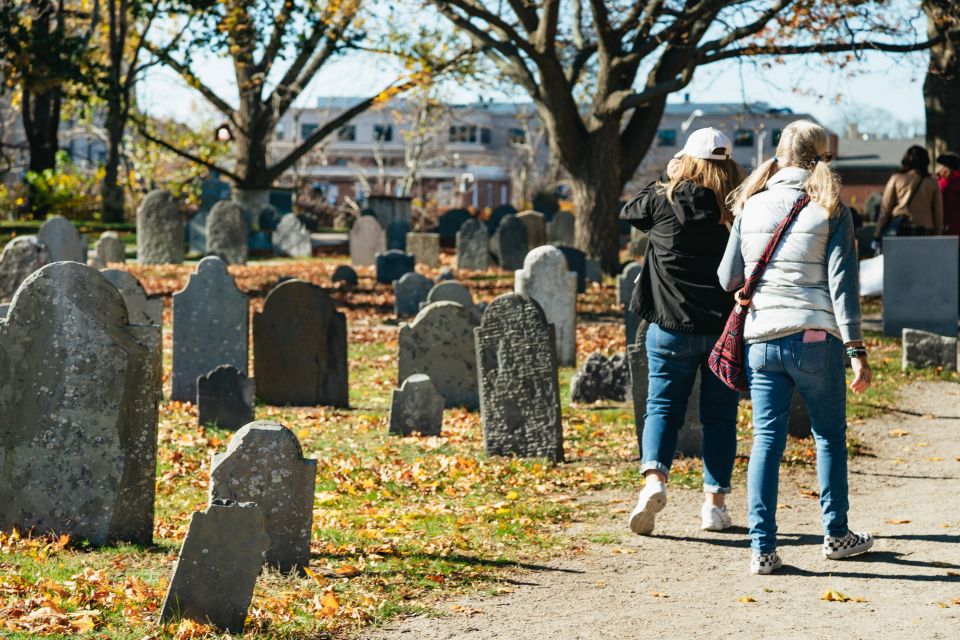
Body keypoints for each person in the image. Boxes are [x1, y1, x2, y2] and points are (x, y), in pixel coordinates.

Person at [719, 120, 873, 575]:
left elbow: (728, 278)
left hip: (762, 338)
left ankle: (762, 549)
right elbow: (842, 286)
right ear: (821, 157)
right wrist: (856, 349)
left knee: (766, 440)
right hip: (814, 337)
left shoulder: (750, 205)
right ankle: (837, 534)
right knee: (828, 436)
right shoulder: (831, 208)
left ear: (779, 155)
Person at [620, 127, 745, 536]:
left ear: (687, 161)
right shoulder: (740, 208)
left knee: (661, 408)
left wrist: (665, 176)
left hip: (669, 328)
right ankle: (714, 505)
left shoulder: (662, 199)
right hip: (722, 330)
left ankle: (654, 480)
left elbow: (628, 211)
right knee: (720, 418)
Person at [872, 145, 943, 251]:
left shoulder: (896, 179)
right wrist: (938, 236)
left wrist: (877, 233)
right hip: (925, 232)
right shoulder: (933, 183)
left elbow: (885, 209)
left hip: (901, 230)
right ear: (926, 161)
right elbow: (938, 213)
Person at [936, 152, 960, 235]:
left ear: (945, 167)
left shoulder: (942, 184)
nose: (937, 169)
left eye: (939, 165)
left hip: (946, 229)